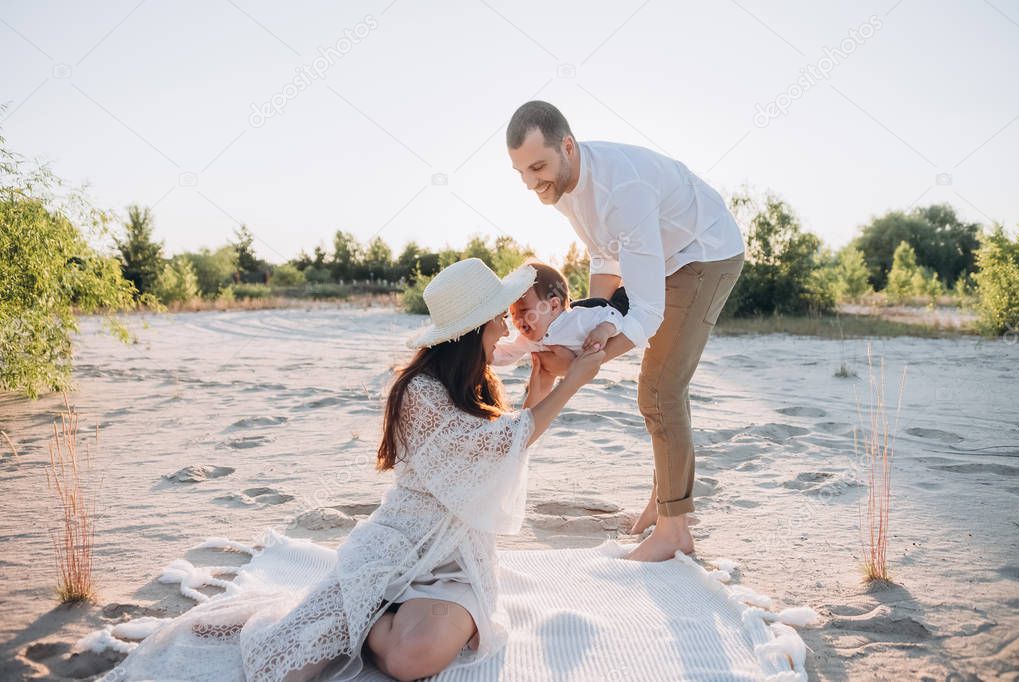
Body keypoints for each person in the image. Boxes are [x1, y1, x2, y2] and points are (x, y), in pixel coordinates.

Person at [99, 258, 603, 682]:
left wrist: (543, 383)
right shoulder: (419, 391)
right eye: (497, 319)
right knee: (289, 665)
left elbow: (505, 448)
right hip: (401, 542)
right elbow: (497, 442)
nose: (507, 330)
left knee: (412, 659)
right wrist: (572, 383)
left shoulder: (477, 381)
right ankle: (369, 613)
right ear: (473, 330)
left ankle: (373, 622)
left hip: (456, 559)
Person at [506, 100, 746, 562]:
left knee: (659, 387)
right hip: (666, 254)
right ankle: (663, 502)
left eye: (538, 168)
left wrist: (588, 358)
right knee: (662, 384)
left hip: (705, 251)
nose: (533, 184)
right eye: (522, 173)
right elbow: (604, 255)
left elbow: (647, 312)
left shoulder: (622, 191)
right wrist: (586, 326)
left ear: (568, 147)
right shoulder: (564, 188)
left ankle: (675, 530)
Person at [491, 261, 626, 367]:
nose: (518, 319)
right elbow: (506, 353)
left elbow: (612, 314)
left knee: (620, 299)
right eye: (513, 314)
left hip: (612, 305)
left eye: (524, 310)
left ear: (554, 306)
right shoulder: (527, 339)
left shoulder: (577, 319)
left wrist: (603, 330)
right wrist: (486, 356)